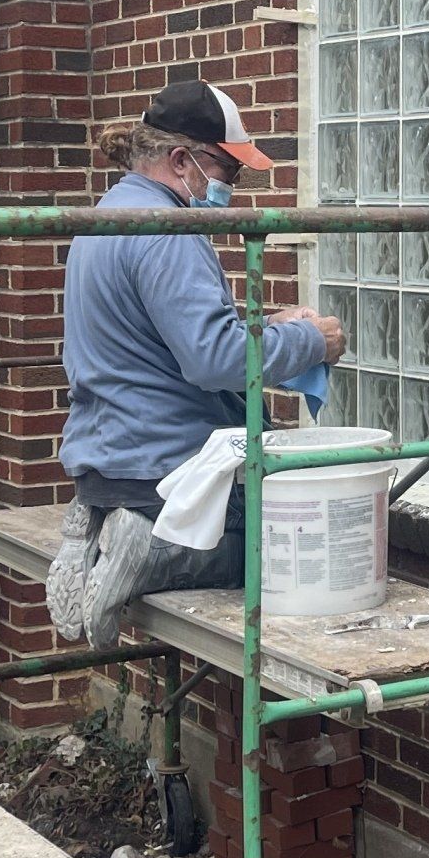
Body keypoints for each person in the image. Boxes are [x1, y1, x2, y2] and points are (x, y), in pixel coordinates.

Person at [48, 78, 345, 647]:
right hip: (167, 471)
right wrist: (313, 344)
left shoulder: (111, 212)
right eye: (227, 170)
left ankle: (96, 529)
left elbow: (159, 339)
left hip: (109, 466)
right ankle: (157, 548)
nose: (231, 185)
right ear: (182, 159)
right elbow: (213, 360)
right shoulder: (170, 230)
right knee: (279, 546)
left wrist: (272, 326)